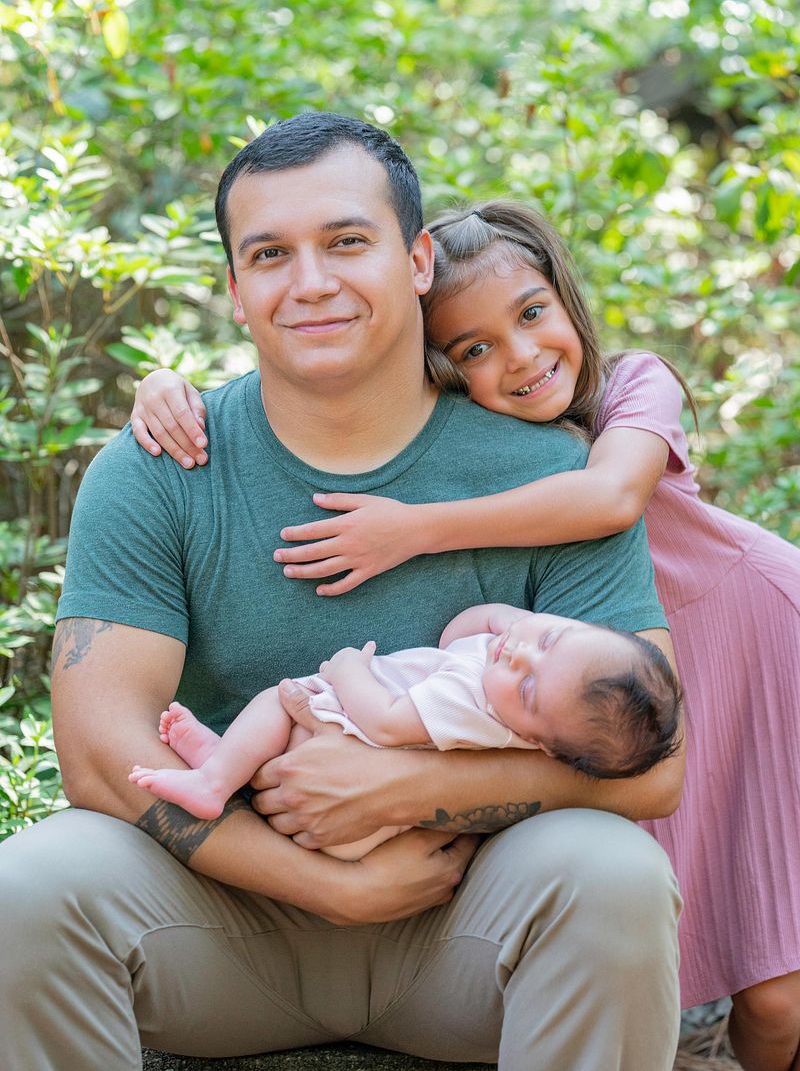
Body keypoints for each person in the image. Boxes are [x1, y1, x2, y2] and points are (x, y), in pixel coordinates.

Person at [0, 115, 683, 1071]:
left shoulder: (548, 476)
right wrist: (318, 882)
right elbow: (97, 753)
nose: (310, 282)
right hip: (221, 928)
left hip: (464, 925)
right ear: (235, 290)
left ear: (415, 260)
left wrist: (413, 786)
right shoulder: (162, 466)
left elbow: (656, 768)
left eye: (346, 242)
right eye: (270, 254)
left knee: (614, 875)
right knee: (24, 885)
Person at [134, 195, 800, 1071]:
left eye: (532, 314)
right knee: (660, 924)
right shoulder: (477, 434)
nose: (521, 357)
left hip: (752, 635)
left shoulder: (638, 383)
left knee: (777, 981)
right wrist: (168, 389)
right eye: (474, 349)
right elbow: (311, 376)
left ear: (565, 295)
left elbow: (607, 501)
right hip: (605, 682)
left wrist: (410, 526)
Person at [128, 603, 682, 833]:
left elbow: (388, 722)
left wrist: (348, 669)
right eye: (550, 637)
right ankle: (223, 761)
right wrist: (510, 620)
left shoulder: (475, 707)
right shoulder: (500, 679)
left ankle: (214, 778)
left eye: (531, 685)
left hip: (351, 726)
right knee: (277, 722)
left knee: (280, 700)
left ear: (541, 743)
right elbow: (456, 637)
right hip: (345, 758)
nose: (519, 653)